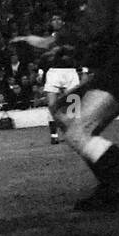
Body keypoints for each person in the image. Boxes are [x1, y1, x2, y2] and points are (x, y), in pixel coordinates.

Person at [12, 0, 119, 210]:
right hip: (116, 60)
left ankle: (118, 184)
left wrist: (52, 40)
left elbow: (97, 24)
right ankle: (113, 186)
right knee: (65, 111)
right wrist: (65, 51)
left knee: (76, 127)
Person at [38, 13, 81, 145]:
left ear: (63, 22)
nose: (56, 21)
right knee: (52, 105)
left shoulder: (71, 37)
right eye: (53, 19)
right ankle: (54, 135)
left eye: (58, 19)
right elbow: (44, 57)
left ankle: (76, 133)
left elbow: (77, 51)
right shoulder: (48, 40)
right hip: (54, 72)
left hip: (70, 71)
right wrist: (41, 71)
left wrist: (83, 69)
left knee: (73, 104)